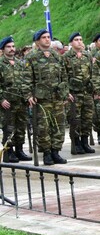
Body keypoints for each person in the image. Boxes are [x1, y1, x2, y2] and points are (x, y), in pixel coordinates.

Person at [23, 29, 69, 166]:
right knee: (44, 127)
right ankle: (47, 153)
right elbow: (26, 79)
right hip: (42, 99)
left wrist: (65, 93)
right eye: (44, 37)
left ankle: (56, 151)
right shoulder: (31, 57)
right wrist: (28, 95)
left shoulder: (56, 56)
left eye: (48, 37)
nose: (47, 39)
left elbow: (64, 76)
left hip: (57, 97)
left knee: (59, 125)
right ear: (37, 41)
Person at [63, 32, 95, 155]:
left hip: (86, 92)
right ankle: (76, 143)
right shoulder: (66, 57)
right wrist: (66, 92)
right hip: (74, 93)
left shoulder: (87, 55)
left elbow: (92, 73)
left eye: (81, 39)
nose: (79, 41)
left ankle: (85, 142)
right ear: (71, 43)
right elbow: (63, 76)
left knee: (87, 118)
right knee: (75, 119)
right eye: (76, 39)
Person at [0, 36, 31, 162]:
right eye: (8, 47)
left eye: (13, 46)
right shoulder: (1, 64)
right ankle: (9, 152)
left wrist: (28, 96)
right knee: (9, 128)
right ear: (3, 49)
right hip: (7, 103)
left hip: (21, 101)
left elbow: (26, 81)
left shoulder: (19, 63)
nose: (12, 49)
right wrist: (1, 99)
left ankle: (19, 150)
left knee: (21, 127)